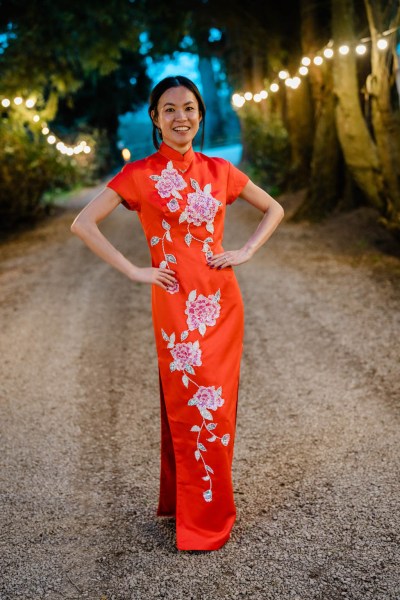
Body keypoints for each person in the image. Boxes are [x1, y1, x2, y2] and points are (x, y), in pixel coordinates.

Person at [70, 75, 284, 551]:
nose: (180, 117)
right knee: (192, 402)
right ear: (155, 118)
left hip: (221, 302)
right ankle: (202, 514)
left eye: (189, 108)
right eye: (169, 109)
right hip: (174, 303)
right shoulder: (140, 175)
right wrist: (132, 270)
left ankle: (194, 505)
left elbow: (275, 209)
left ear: (201, 115)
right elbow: (82, 223)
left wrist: (245, 251)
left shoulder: (220, 170)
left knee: (215, 407)